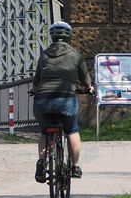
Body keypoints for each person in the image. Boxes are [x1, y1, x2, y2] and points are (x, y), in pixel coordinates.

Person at [32, 20, 93, 182]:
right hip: (66, 100)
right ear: (69, 37)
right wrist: (89, 88)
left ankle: (42, 163)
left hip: (43, 101)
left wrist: (33, 91)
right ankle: (75, 167)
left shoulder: (44, 55)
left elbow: (36, 83)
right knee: (72, 130)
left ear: (52, 38)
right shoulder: (75, 55)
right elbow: (85, 79)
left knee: (45, 131)